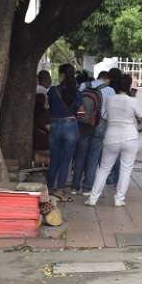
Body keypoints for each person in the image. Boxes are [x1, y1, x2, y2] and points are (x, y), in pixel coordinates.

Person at [86, 74, 142, 207]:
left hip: (111, 137)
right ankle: (119, 199)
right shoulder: (132, 101)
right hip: (130, 137)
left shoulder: (109, 99)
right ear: (129, 86)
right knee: (126, 169)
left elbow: (105, 116)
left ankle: (93, 198)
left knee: (104, 168)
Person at [72, 71, 115, 196]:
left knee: (80, 154)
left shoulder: (84, 86)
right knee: (93, 157)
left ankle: (75, 187)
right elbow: (109, 111)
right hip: (100, 124)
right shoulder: (110, 90)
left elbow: (78, 105)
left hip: (84, 124)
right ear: (107, 79)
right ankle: (87, 187)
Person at [47, 63, 84, 199]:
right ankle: (60, 189)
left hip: (55, 125)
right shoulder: (77, 93)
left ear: (62, 74)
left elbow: (48, 108)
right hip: (71, 126)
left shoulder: (52, 90)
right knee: (66, 160)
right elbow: (81, 113)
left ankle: (49, 187)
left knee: (54, 159)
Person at [106, 67, 123, 186]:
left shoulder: (108, 89)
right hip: (121, 124)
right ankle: (116, 178)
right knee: (119, 154)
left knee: (109, 152)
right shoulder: (122, 90)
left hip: (109, 123)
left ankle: (110, 176)